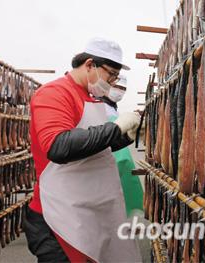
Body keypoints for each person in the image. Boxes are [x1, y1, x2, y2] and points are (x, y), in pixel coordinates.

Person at [24, 37, 141, 262]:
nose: (112, 82)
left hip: (84, 212)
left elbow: (93, 147)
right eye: (111, 75)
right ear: (89, 65)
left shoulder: (90, 98)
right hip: (57, 216)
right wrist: (114, 129)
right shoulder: (54, 93)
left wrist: (124, 136)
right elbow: (59, 146)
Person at [98, 74, 144, 217]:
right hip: (107, 175)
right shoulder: (99, 108)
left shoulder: (113, 109)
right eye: (116, 87)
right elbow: (119, 156)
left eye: (122, 88)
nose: (119, 91)